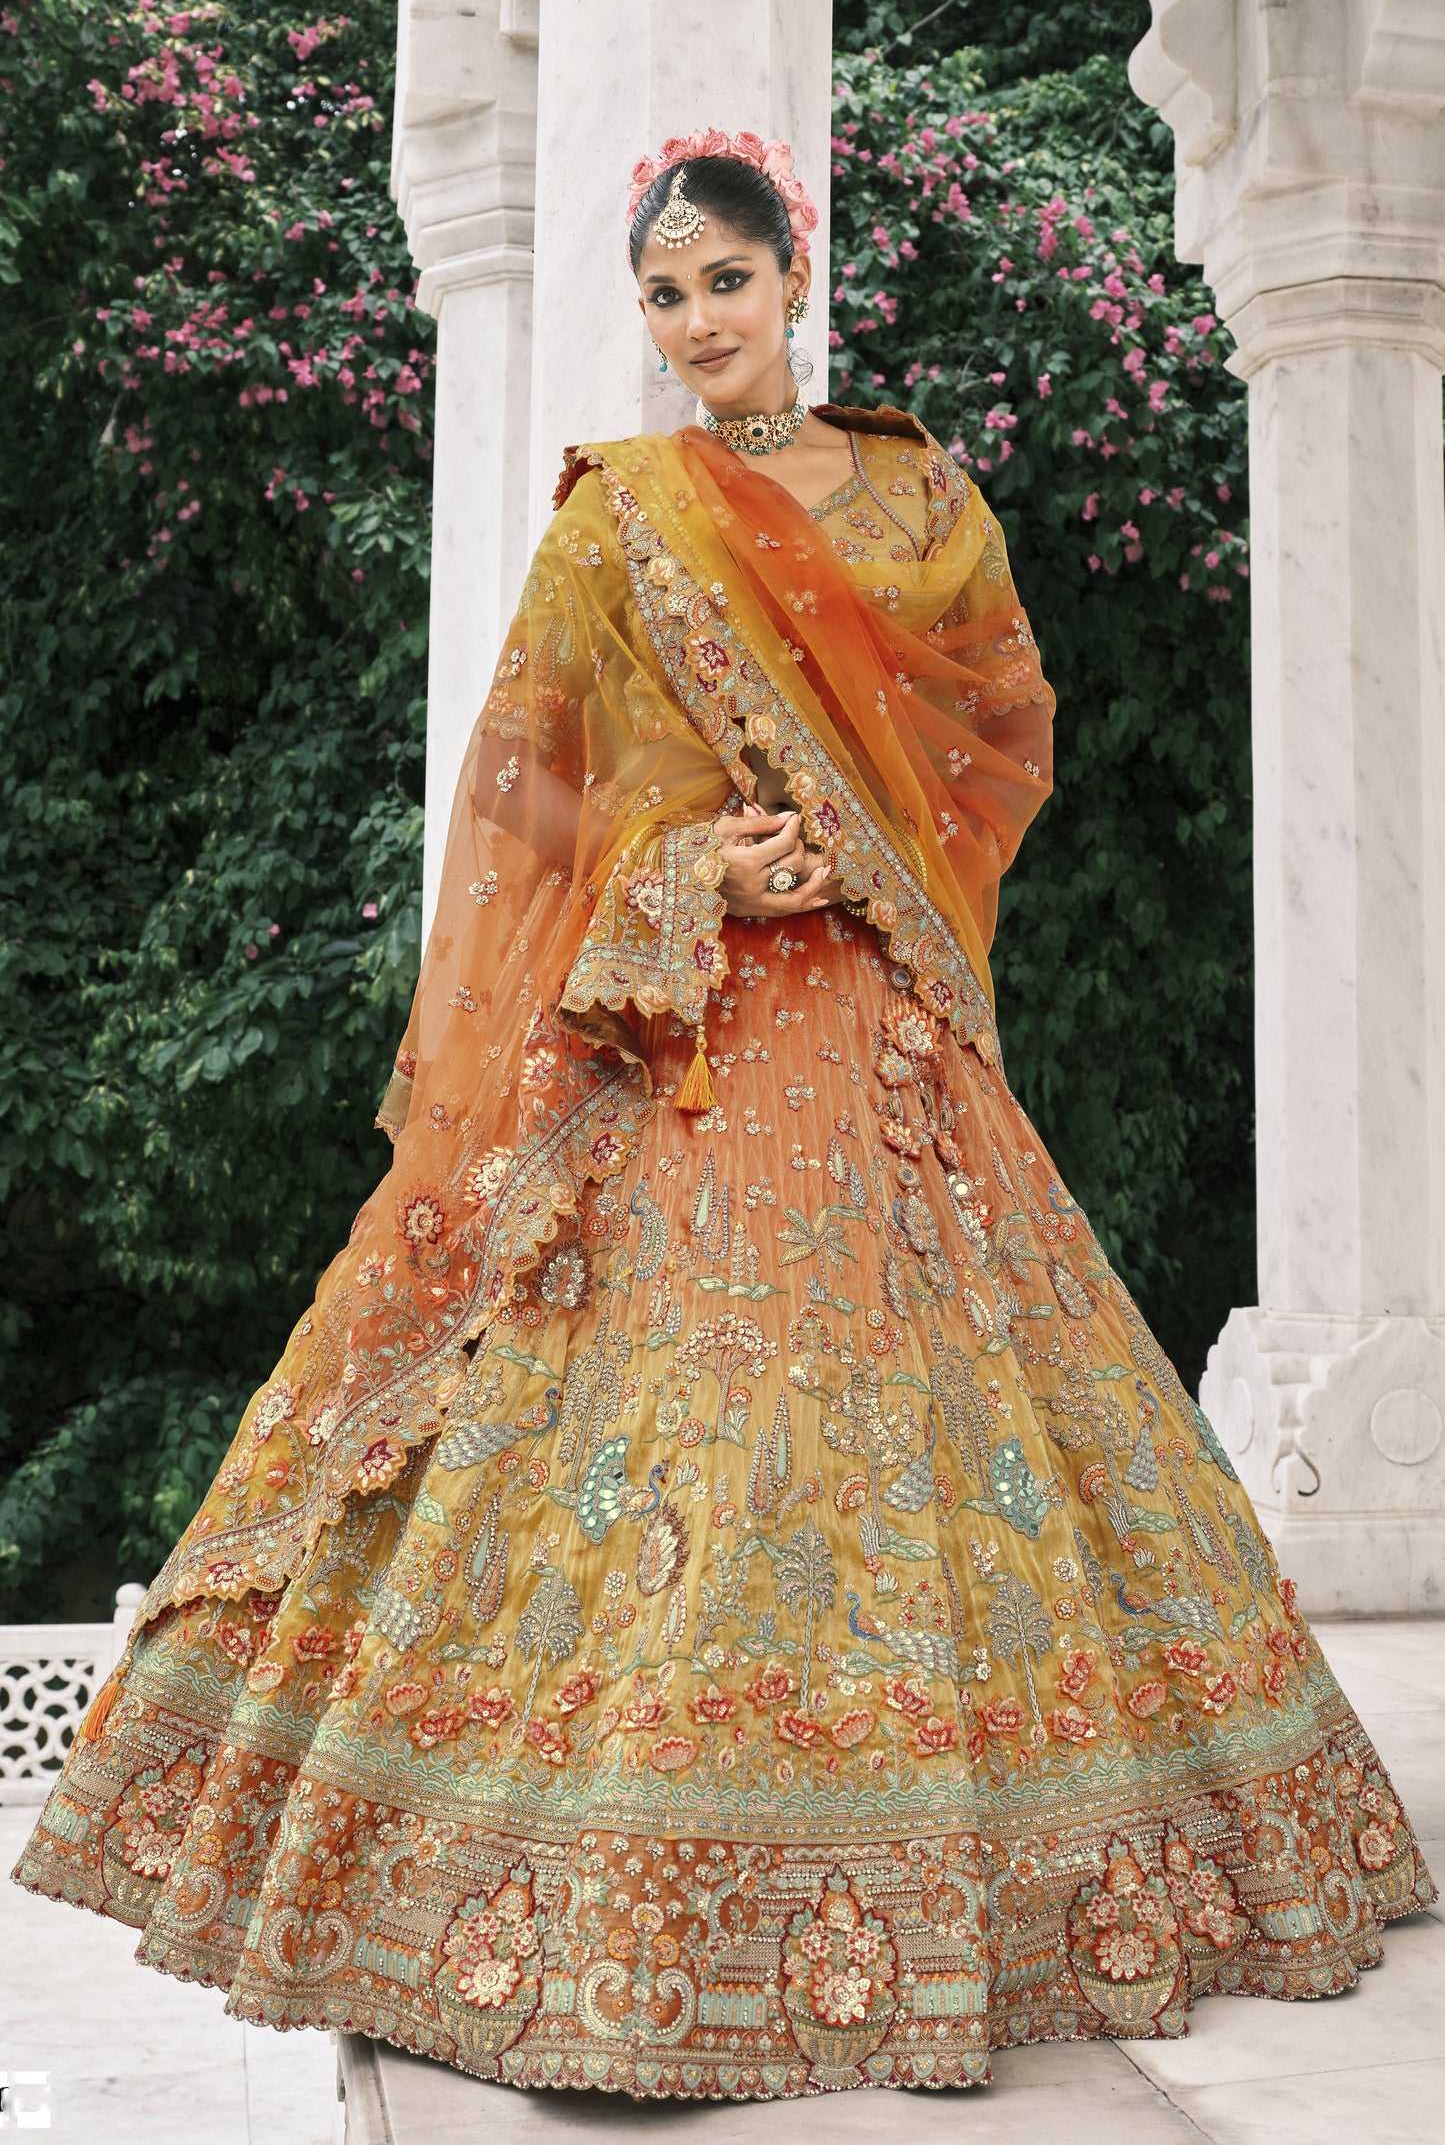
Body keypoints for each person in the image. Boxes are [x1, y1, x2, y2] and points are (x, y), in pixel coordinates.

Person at [14, 130, 1433, 2103]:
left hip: (879, 1031)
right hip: (679, 1043)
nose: (697, 327)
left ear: (795, 276)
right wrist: (695, 866)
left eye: (725, 286)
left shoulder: (924, 499)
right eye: (665, 294)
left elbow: (995, 741)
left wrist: (856, 859)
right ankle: (602, 1892)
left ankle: (968, 1862)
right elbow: (532, 800)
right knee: (660, 1426)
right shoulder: (622, 526)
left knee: (924, 1410)